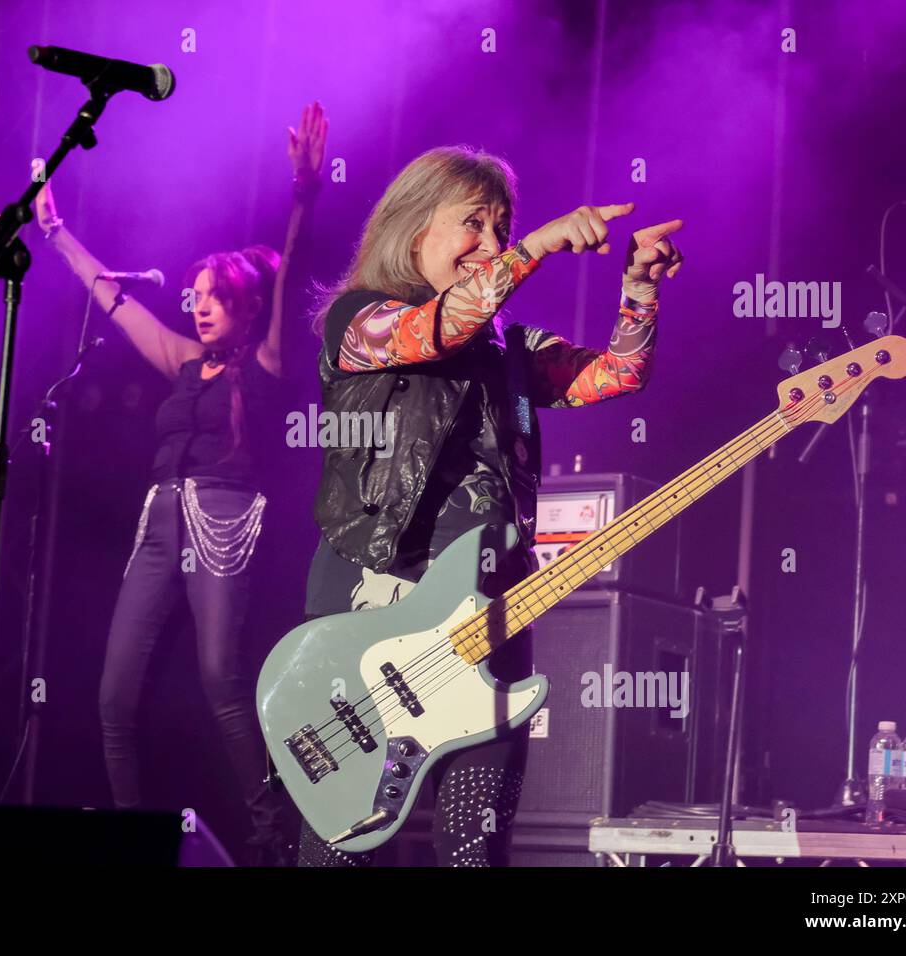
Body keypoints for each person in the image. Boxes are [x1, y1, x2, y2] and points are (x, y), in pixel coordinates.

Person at [298, 145, 683, 866]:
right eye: (471, 223)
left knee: (476, 850)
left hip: (491, 611)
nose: (492, 243)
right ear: (413, 229)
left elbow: (617, 374)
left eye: (503, 229)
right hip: (375, 607)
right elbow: (433, 330)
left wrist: (639, 290)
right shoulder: (359, 321)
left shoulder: (508, 349)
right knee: (344, 846)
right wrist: (539, 247)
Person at [34, 103, 328, 865]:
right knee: (111, 695)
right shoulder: (181, 361)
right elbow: (116, 300)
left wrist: (304, 196)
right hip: (157, 523)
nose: (196, 306)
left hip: (225, 519)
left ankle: (274, 838)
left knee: (219, 676)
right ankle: (136, 830)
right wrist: (57, 234)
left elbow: (291, 275)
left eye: (212, 296)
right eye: (192, 295)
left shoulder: (264, 367)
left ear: (244, 306)